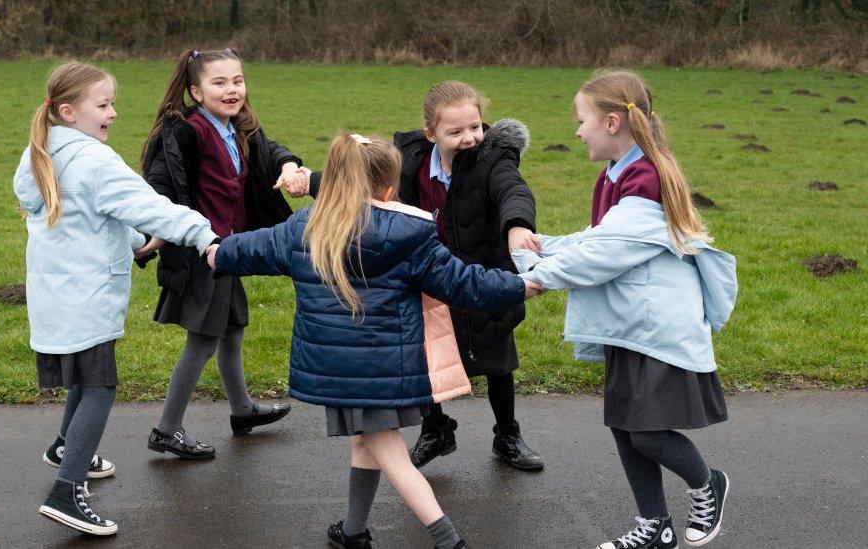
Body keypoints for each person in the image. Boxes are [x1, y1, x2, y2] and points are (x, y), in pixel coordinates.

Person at [214, 133, 542, 548]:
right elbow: (464, 284)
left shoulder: (305, 227)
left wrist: (215, 252)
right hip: (384, 366)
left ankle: (416, 537)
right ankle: (383, 534)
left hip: (340, 369)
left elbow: (249, 248)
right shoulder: (409, 235)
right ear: (390, 188)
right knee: (378, 449)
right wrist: (518, 285)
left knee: (379, 449)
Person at [512, 69, 737, 549]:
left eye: (581, 119)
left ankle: (707, 484)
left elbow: (602, 256)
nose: (577, 131)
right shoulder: (615, 175)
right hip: (630, 324)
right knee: (624, 427)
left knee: (648, 433)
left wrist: (536, 276)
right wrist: (546, 245)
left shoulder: (646, 178)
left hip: (657, 329)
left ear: (612, 123)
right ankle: (655, 526)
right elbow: (602, 238)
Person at [14, 61, 220, 535]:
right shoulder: (93, 161)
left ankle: (66, 446)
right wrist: (206, 235)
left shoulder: (40, 152)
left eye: (113, 103)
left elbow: (87, 217)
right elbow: (151, 206)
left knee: (86, 379)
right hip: (85, 296)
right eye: (103, 105)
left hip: (57, 293)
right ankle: (66, 491)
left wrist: (133, 241)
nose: (113, 113)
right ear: (68, 111)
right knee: (100, 385)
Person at [139, 48, 310, 458]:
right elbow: (160, 183)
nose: (232, 90)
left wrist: (288, 165)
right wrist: (156, 230)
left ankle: (242, 411)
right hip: (202, 252)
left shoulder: (238, 128)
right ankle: (166, 429)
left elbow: (270, 152)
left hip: (229, 250)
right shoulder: (189, 132)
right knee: (202, 342)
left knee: (232, 331)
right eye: (219, 83)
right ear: (196, 91)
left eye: (237, 80)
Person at [393, 81, 544, 471]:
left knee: (497, 358)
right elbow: (365, 182)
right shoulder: (409, 161)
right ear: (431, 134)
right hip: (429, 275)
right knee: (428, 356)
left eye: (475, 127)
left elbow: (514, 190)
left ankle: (507, 433)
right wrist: (311, 181)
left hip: (484, 272)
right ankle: (436, 429)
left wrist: (517, 225)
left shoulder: (494, 159)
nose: (469, 138)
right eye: (455, 132)